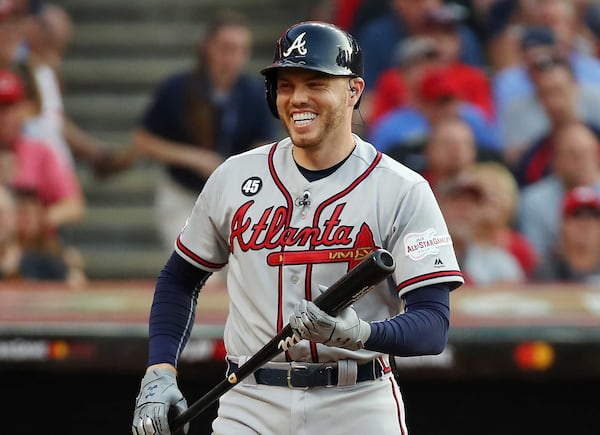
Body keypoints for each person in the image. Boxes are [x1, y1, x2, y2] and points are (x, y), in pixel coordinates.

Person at [132, 21, 464, 435]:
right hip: (250, 400)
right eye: (285, 84)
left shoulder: (402, 189)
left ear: (353, 90)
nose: (297, 98)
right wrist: (160, 370)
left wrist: (358, 333)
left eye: (316, 82)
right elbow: (180, 277)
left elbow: (432, 325)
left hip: (356, 401)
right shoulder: (234, 177)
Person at [132, 9, 275, 253]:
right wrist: (193, 157)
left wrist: (237, 166)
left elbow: (264, 143)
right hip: (184, 194)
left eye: (241, 50)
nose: (233, 57)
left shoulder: (254, 93)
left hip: (235, 198)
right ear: (208, 47)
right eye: (226, 47)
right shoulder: (178, 88)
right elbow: (142, 141)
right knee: (196, 267)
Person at [517, 122, 600, 262]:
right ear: (555, 159)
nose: (580, 160)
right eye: (571, 154)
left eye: (586, 152)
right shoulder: (533, 200)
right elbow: (535, 258)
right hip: (554, 277)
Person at [533, 185, 600, 284]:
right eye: (576, 215)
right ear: (562, 224)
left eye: (592, 216)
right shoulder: (546, 273)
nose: (585, 224)